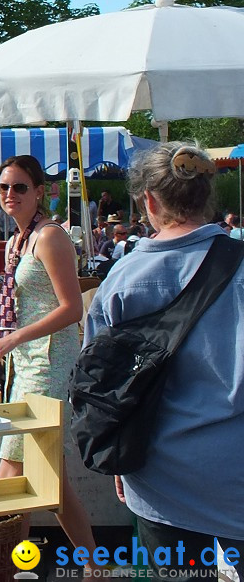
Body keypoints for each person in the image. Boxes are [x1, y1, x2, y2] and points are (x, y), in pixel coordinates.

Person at [85, 143, 244, 576]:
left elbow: (100, 387)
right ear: (208, 196)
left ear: (149, 200)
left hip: (158, 472)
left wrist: (116, 457)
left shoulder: (122, 279)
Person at [0, 155, 96, 560]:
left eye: (19, 187)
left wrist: (12, 340)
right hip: (25, 366)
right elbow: (7, 317)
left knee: (13, 473)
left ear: (40, 192)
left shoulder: (50, 237)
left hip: (50, 364)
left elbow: (71, 309)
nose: (10, 195)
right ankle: (91, 566)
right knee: (47, 479)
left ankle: (5, 562)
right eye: (3, 188)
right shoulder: (17, 241)